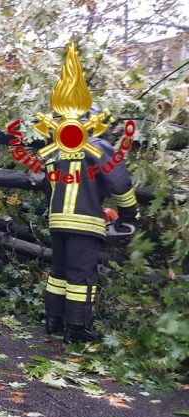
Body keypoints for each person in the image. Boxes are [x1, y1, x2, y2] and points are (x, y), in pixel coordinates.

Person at [43, 131, 138, 343]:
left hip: (57, 220)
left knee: (59, 272)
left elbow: (49, 186)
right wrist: (130, 215)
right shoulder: (97, 147)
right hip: (85, 223)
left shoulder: (57, 150)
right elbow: (121, 184)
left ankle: (53, 322)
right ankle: (76, 332)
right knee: (81, 277)